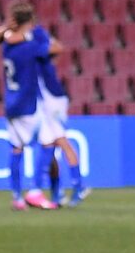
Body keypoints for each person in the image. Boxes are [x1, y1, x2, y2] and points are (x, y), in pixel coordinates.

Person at [0, 1, 59, 211]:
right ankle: (35, 191)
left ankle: (17, 198)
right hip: (28, 104)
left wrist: (10, 28)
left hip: (11, 104)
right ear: (30, 22)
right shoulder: (31, 46)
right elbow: (54, 49)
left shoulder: (8, 43)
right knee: (48, 142)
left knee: (16, 149)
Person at [30, 24, 90, 207]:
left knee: (61, 142)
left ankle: (78, 186)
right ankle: (57, 193)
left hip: (53, 101)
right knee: (49, 145)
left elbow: (57, 47)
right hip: (46, 101)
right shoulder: (39, 54)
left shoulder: (37, 46)